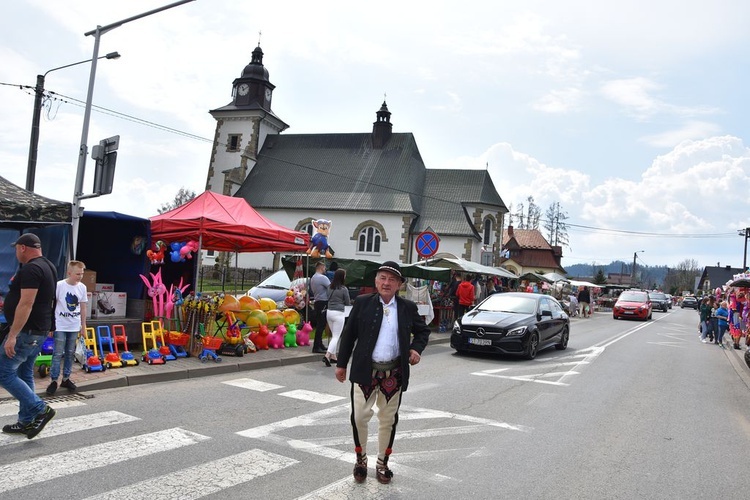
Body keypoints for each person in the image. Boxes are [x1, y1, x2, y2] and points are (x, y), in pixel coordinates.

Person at [335, 261, 430, 485]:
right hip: (364, 371)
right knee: (359, 417)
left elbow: (423, 331)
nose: (386, 283)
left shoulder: (407, 307)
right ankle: (361, 459)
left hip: (393, 373)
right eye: (382, 278)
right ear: (376, 281)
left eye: (391, 280)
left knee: (388, 420)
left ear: (399, 285)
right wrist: (341, 364)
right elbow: (349, 335)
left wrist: (416, 348)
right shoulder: (362, 303)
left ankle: (382, 463)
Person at [0, 233, 57, 439]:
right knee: (25, 374)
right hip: (38, 330)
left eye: (16, 248)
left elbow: (27, 303)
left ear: (23, 248)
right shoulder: (48, 265)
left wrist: (12, 335)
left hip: (26, 332)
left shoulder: (32, 269)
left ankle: (40, 409)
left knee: (3, 372)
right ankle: (26, 421)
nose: (16, 252)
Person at [47, 260, 88, 395]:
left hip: (74, 324)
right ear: (69, 273)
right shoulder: (59, 285)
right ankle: (54, 380)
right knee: (58, 353)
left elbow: (83, 307)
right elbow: (53, 305)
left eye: (82, 274)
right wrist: (51, 325)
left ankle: (66, 377)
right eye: (77, 274)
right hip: (60, 324)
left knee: (70, 353)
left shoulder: (82, 287)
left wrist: (83, 326)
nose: (80, 276)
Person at [323, 268, 350, 367]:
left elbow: (327, 297)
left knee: (334, 334)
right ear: (342, 277)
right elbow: (347, 302)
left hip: (329, 312)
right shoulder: (343, 289)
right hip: (339, 313)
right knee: (336, 337)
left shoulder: (329, 287)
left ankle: (334, 357)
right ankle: (327, 355)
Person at [310, 261, 331, 354]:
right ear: (321, 267)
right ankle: (316, 346)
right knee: (321, 324)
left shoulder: (313, 278)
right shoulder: (322, 278)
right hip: (323, 302)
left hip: (317, 301)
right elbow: (331, 288)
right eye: (324, 267)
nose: (325, 269)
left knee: (320, 323)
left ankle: (320, 344)